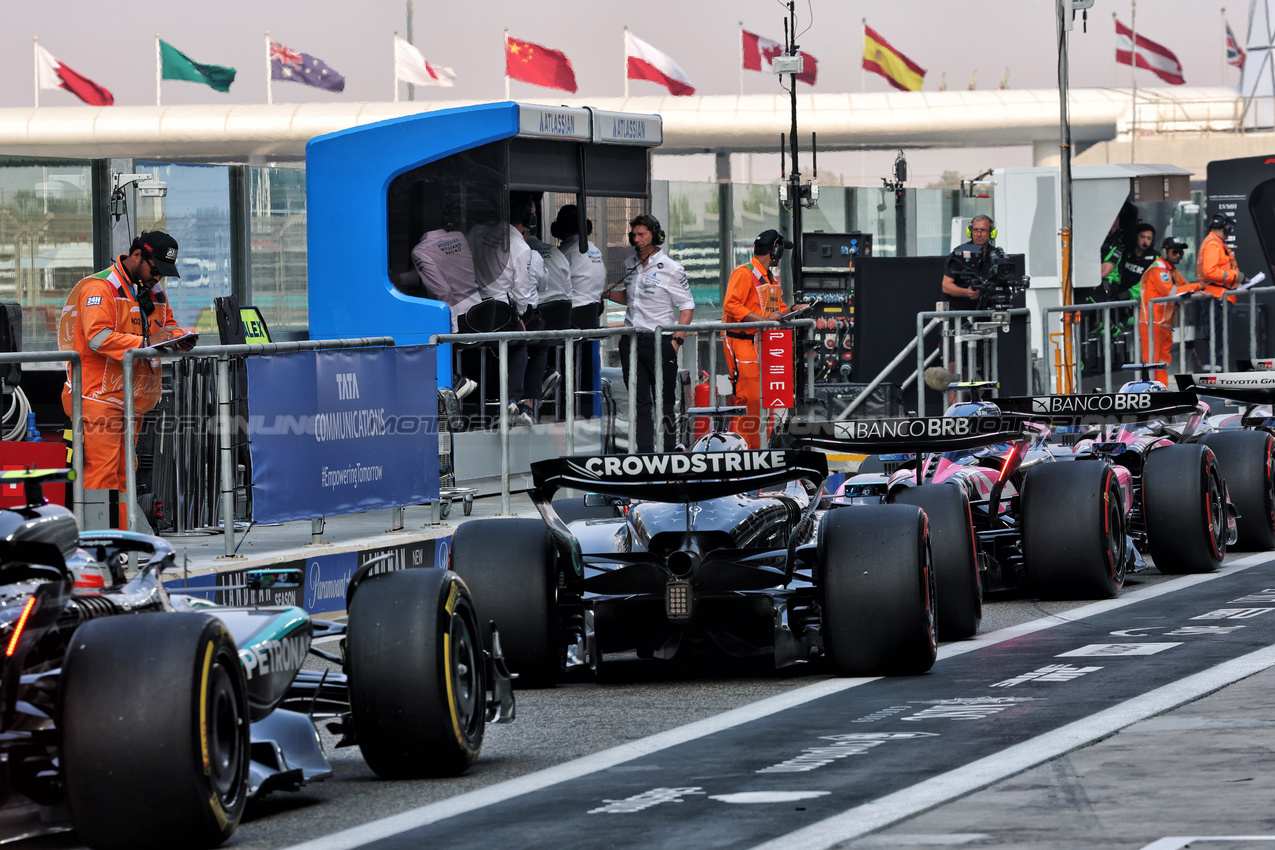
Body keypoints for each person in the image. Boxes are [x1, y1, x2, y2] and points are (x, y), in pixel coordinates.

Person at [58, 231, 197, 494]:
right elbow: (97, 337)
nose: (158, 277)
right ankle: (99, 535)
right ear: (137, 256)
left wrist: (179, 339)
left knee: (124, 476)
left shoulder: (154, 292)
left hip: (130, 400)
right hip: (97, 397)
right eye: (156, 269)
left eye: (164, 273)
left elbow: (167, 327)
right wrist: (146, 342)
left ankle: (120, 533)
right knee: (102, 475)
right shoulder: (100, 287)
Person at [607, 214, 694, 452]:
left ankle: (667, 451)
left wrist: (676, 341)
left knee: (664, 403)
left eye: (642, 234)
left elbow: (687, 306)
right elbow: (630, 298)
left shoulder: (672, 268)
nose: (637, 239)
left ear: (655, 236)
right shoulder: (629, 265)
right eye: (633, 235)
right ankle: (645, 453)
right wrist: (606, 294)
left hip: (661, 341)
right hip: (632, 342)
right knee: (640, 403)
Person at [466, 200, 536, 426]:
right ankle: (512, 399)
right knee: (521, 341)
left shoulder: (477, 232)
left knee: (487, 350)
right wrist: (520, 317)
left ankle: (480, 402)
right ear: (526, 220)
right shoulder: (522, 248)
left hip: (472, 311)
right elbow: (522, 294)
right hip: (501, 314)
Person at [722, 229, 793, 449]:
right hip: (742, 344)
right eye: (780, 250)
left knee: (765, 401)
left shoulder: (770, 279)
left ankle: (762, 447)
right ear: (775, 251)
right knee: (749, 400)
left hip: (765, 347)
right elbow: (731, 305)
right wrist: (762, 320)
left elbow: (778, 311)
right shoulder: (744, 273)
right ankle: (742, 451)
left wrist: (794, 310)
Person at [553, 205, 607, 416]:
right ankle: (582, 409)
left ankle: (556, 402)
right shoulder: (595, 249)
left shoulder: (564, 253)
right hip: (590, 316)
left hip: (571, 319)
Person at [523, 201, 571, 417]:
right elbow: (568, 290)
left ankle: (534, 381)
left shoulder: (523, 254)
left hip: (539, 325)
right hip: (563, 321)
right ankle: (545, 372)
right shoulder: (556, 252)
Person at [1138, 236, 1199, 386]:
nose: (1178, 255)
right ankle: (1149, 393)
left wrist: (1193, 288)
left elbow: (1184, 285)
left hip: (1164, 323)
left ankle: (1161, 390)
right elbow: (1171, 291)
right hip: (1152, 323)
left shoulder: (1171, 270)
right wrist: (1197, 286)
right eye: (1174, 252)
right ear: (1165, 252)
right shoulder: (1158, 269)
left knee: (1162, 361)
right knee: (1151, 362)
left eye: (1180, 252)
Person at [941, 214, 998, 310]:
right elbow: (946, 286)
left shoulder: (996, 254)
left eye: (983, 230)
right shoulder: (960, 253)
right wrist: (967, 292)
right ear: (970, 232)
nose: (979, 234)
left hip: (985, 313)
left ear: (991, 232)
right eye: (976, 230)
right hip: (958, 314)